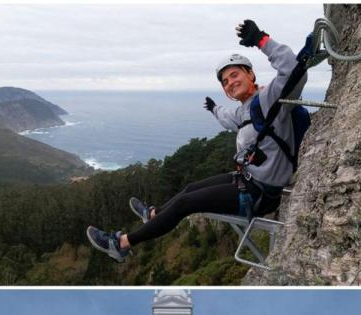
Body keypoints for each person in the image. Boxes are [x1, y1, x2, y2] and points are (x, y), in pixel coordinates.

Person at [87, 18, 307, 262]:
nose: (230, 82)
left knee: (186, 204)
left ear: (251, 74)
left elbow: (293, 68)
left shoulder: (269, 98)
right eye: (225, 81)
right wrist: (213, 109)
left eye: (235, 75)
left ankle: (121, 244)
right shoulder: (245, 109)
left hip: (261, 193)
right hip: (247, 180)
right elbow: (227, 118)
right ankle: (154, 214)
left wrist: (261, 40)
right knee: (189, 189)